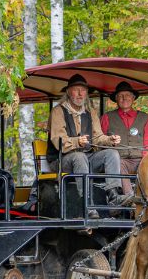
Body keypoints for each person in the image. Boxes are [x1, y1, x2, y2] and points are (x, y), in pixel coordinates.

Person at [47, 74, 126, 215]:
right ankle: (87, 203)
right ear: (68, 92)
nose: (80, 93)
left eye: (83, 90)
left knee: (111, 153)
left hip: (86, 158)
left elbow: (97, 138)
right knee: (78, 157)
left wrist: (109, 140)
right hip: (62, 160)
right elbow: (58, 140)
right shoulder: (58, 111)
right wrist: (77, 141)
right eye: (76, 89)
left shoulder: (90, 113)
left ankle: (114, 196)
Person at [100, 81, 148, 196]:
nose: (124, 98)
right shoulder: (107, 117)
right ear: (116, 99)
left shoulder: (145, 118)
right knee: (118, 163)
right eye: (120, 96)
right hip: (120, 161)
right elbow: (100, 140)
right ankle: (129, 198)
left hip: (140, 160)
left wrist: (145, 163)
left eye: (127, 95)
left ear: (133, 98)